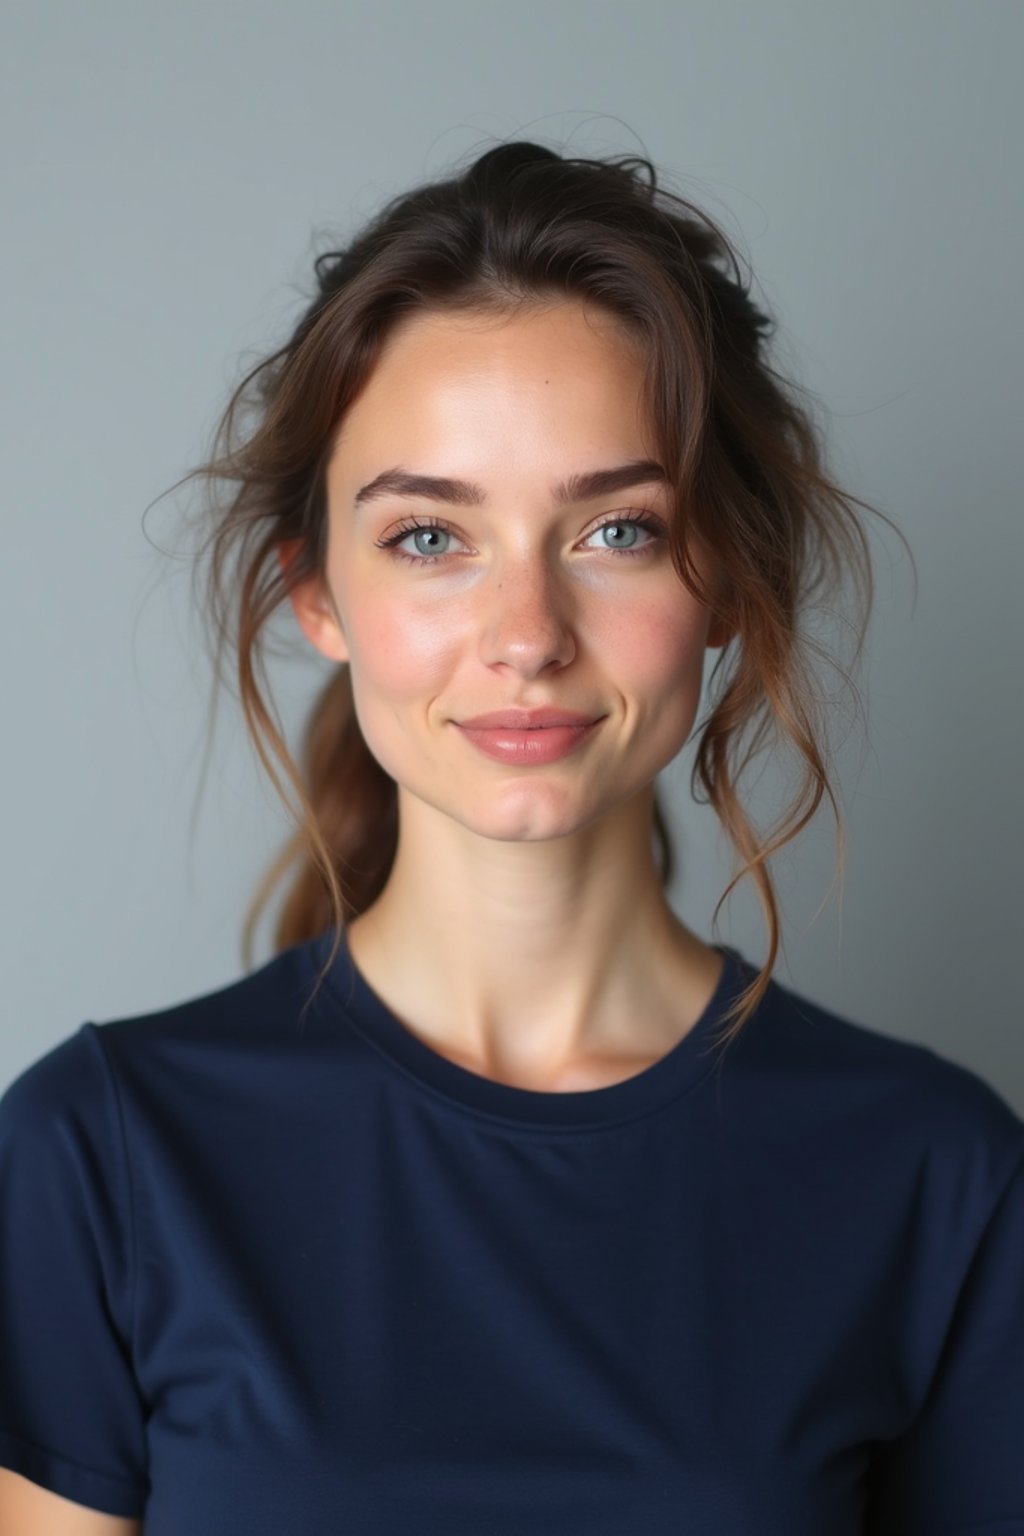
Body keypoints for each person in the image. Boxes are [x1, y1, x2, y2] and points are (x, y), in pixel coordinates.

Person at [1, 141, 1021, 1535]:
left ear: (724, 576)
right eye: (430, 538)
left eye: (617, 529)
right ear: (316, 592)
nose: (528, 637)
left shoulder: (935, 1174)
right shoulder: (100, 1155)